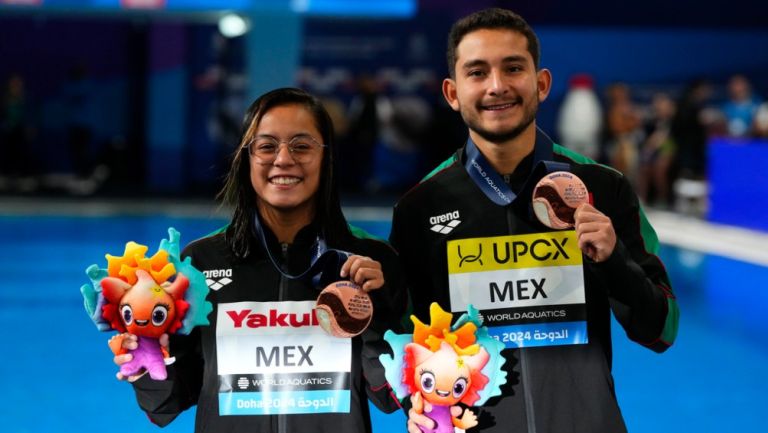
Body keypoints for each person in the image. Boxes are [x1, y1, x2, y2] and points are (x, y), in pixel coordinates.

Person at [389, 8, 679, 433]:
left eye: (513, 68)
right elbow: (404, 347)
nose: (497, 86)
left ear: (541, 83)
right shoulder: (421, 206)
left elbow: (661, 330)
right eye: (477, 72)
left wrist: (614, 259)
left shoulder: (604, 187)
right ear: (452, 93)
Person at [113, 88, 407, 433]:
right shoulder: (199, 263)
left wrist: (375, 315)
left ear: (327, 158)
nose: (283, 159)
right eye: (267, 146)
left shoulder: (371, 261)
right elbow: (164, 405)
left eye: (301, 145)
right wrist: (146, 360)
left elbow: (390, 397)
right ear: (246, 159)